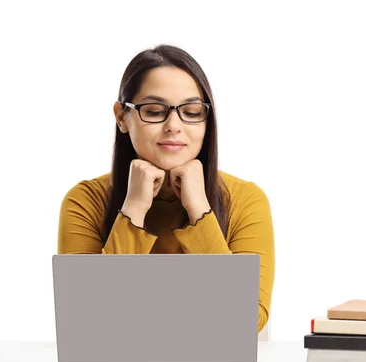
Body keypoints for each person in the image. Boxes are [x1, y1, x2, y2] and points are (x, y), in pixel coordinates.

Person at [57, 44, 275, 334]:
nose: (174, 125)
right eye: (155, 111)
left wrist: (200, 211)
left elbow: (247, 320)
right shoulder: (85, 201)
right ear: (122, 117)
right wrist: (133, 210)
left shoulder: (245, 199)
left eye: (192, 111)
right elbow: (86, 320)